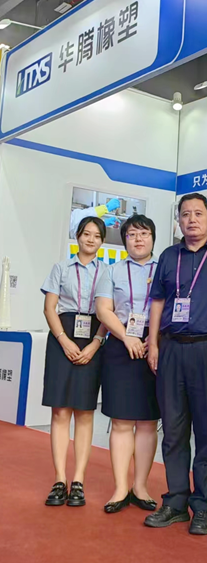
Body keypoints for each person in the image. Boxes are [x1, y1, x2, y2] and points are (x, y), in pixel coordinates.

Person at [145, 193, 207, 535]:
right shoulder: (168, 256)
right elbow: (157, 301)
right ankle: (175, 502)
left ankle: (203, 506)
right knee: (174, 430)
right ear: (178, 221)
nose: (192, 219)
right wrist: (153, 343)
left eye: (198, 213)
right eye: (185, 214)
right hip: (171, 349)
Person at [41, 216, 108, 507]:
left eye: (96, 235)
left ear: (102, 241)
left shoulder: (107, 272)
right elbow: (49, 308)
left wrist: (96, 342)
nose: (91, 239)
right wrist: (63, 339)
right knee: (59, 411)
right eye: (86, 234)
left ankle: (78, 480)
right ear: (78, 236)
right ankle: (59, 479)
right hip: (62, 336)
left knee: (84, 411)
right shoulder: (61, 268)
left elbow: (109, 311)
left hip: (93, 337)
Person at [95, 215, 160, 514]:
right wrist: (126, 337)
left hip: (155, 345)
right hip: (121, 345)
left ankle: (140, 487)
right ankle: (120, 488)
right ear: (124, 241)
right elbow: (103, 310)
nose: (138, 239)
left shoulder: (164, 268)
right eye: (132, 234)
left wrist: (153, 340)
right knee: (121, 421)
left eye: (144, 234)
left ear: (153, 238)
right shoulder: (112, 271)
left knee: (148, 421)